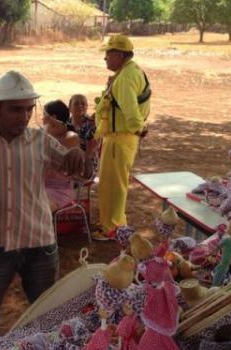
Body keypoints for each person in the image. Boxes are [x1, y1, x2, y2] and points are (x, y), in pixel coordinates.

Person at [0, 70, 85, 342]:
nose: (24, 117)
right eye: (15, 110)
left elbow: (77, 167)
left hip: (39, 244)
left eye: (29, 110)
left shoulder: (41, 141)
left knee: (47, 314)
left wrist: (80, 155)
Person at [92, 34, 151, 241]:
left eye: (109, 53)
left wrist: (138, 129)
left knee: (113, 185)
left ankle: (112, 228)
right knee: (113, 183)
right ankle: (112, 222)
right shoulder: (128, 72)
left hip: (120, 137)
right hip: (120, 137)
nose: (105, 58)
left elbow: (131, 112)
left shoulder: (125, 78)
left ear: (119, 54)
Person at [42, 99, 94, 211]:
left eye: (43, 115)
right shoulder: (46, 135)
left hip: (60, 190)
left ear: (53, 118)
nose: (42, 119)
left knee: (35, 207)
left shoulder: (71, 137)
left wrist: (46, 133)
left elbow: (57, 163)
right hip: (43, 186)